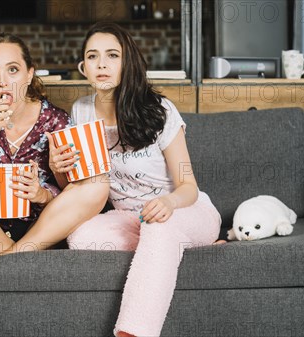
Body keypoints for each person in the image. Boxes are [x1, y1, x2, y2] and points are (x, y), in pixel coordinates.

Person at [64, 22, 222, 337]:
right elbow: (79, 182)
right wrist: (61, 165)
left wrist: (167, 202)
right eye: (92, 57)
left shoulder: (160, 110)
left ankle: (134, 332)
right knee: (79, 237)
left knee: (159, 227)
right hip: (127, 217)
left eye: (112, 55)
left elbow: (188, 187)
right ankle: (179, 249)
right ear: (84, 67)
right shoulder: (81, 110)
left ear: (128, 63)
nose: (102, 65)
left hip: (181, 210)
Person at [0, 33, 108, 256]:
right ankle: (20, 255)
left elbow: (74, 194)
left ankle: (6, 255)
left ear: (29, 74)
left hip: (39, 228)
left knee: (98, 184)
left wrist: (42, 194)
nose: (2, 81)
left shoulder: (56, 120)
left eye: (13, 69)